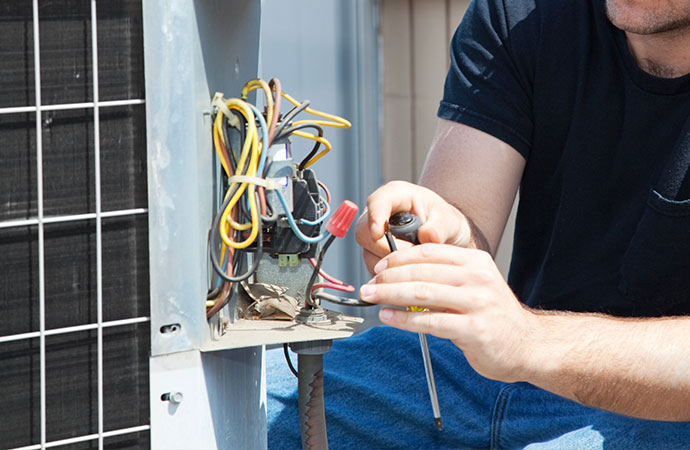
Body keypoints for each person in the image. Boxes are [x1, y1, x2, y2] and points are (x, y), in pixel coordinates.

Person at [267, 0, 690, 448]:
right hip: (486, 373)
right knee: (244, 401)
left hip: (655, 400)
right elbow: (464, 218)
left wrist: (527, 341)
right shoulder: (523, 15)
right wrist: (441, 231)